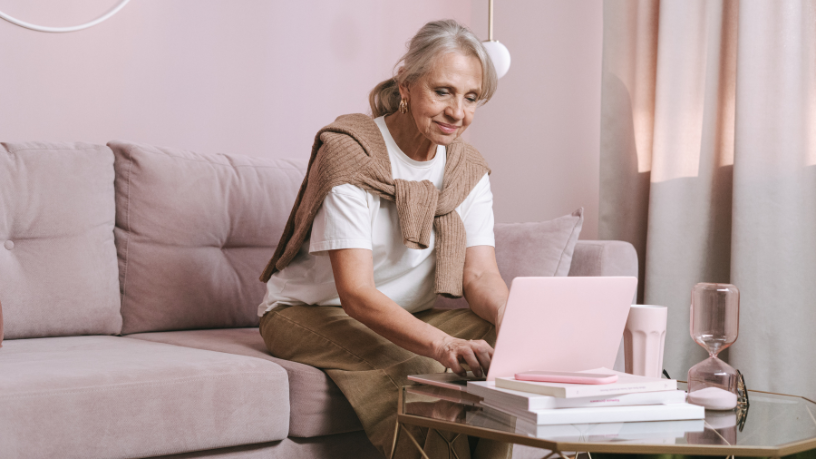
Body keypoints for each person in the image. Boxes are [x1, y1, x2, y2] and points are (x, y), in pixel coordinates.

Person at [258, 19, 509, 458]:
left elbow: (481, 274)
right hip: (310, 313)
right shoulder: (353, 153)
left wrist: (515, 324)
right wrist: (442, 345)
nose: (458, 112)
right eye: (443, 91)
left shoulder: (467, 170)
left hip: (406, 313)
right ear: (406, 86)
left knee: (504, 351)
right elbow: (355, 294)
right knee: (420, 373)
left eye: (471, 98)